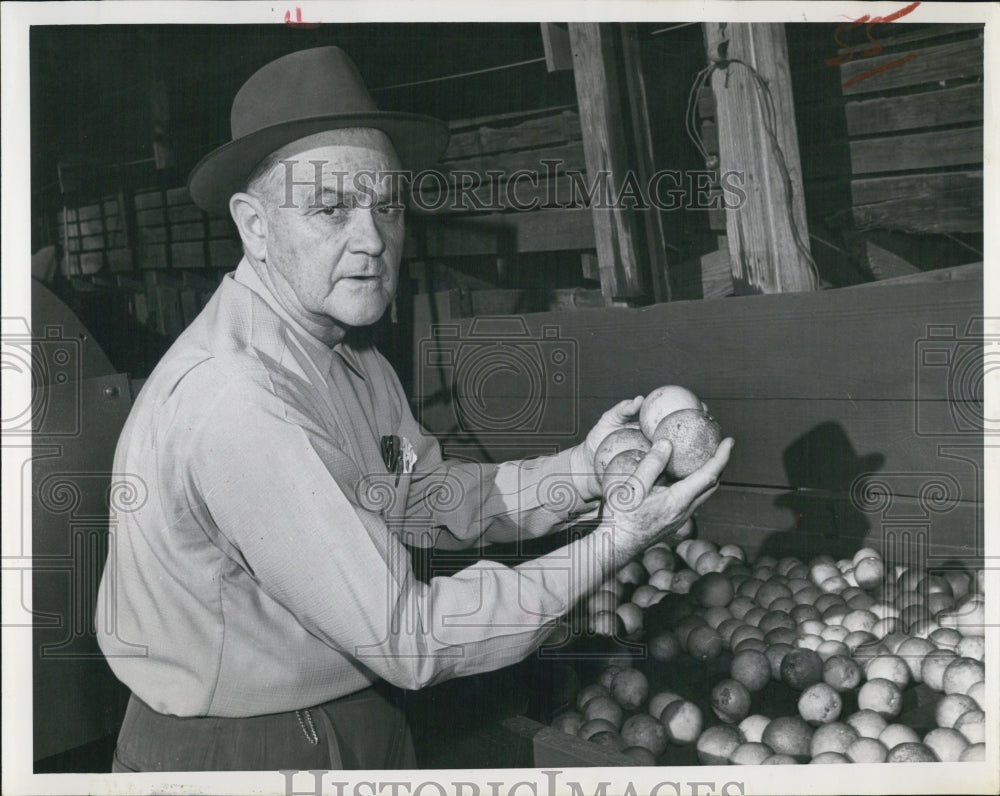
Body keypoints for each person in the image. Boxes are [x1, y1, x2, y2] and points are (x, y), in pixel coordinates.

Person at [95, 45, 733, 773]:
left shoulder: (350, 356)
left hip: (351, 714)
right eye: (330, 209)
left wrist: (583, 473)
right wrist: (612, 543)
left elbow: (428, 496)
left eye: (387, 205)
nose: (372, 241)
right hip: (244, 750)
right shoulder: (242, 399)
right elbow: (411, 638)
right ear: (255, 226)